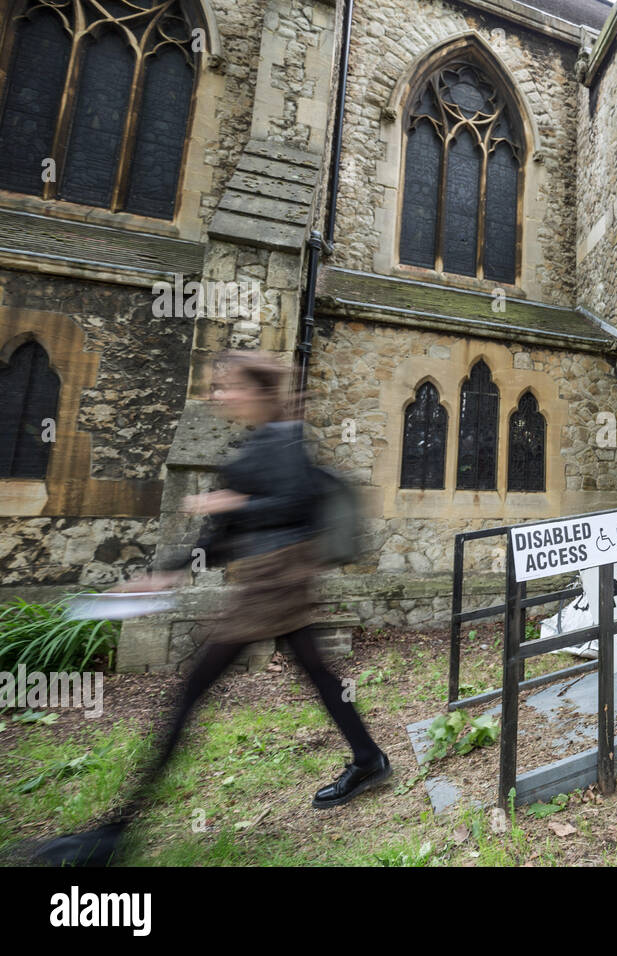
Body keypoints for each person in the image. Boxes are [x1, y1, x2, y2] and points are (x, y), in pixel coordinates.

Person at [33, 351, 389, 866]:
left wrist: (233, 505)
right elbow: (218, 540)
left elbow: (294, 506)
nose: (219, 395)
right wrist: (164, 574)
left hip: (274, 582)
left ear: (257, 392)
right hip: (270, 581)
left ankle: (114, 835)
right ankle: (368, 758)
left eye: (228, 386)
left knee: (192, 691)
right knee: (315, 673)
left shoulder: (282, 440)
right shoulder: (249, 450)